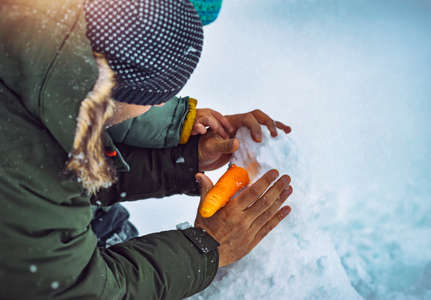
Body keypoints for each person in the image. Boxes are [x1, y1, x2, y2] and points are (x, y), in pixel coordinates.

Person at [0, 0, 292, 299]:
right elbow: (77, 292)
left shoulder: (35, 45)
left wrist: (184, 160)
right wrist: (207, 246)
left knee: (104, 223)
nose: (156, 106)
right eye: (154, 99)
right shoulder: (33, 168)